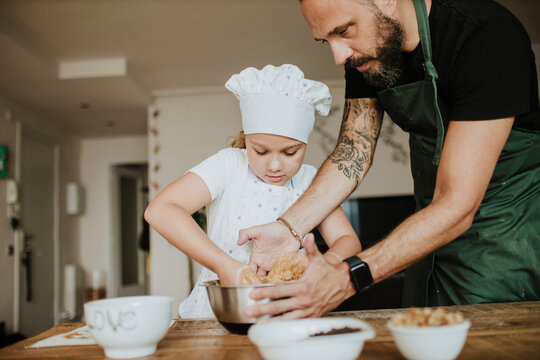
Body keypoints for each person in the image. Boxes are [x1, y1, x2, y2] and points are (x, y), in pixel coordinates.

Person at [239, 0, 540, 320]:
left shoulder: (486, 37)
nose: (339, 56)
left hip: (503, 245)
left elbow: (457, 203)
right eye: (326, 40)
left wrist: (346, 278)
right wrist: (289, 228)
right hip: (422, 242)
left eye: (343, 31)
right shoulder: (365, 55)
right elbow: (353, 151)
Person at [144, 64, 362, 318]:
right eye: (260, 151)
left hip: (289, 310)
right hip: (220, 312)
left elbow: (348, 241)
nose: (275, 165)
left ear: (304, 144)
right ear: (246, 141)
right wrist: (224, 266)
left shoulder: (310, 181)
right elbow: (160, 210)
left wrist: (321, 265)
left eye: (291, 152)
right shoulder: (229, 165)